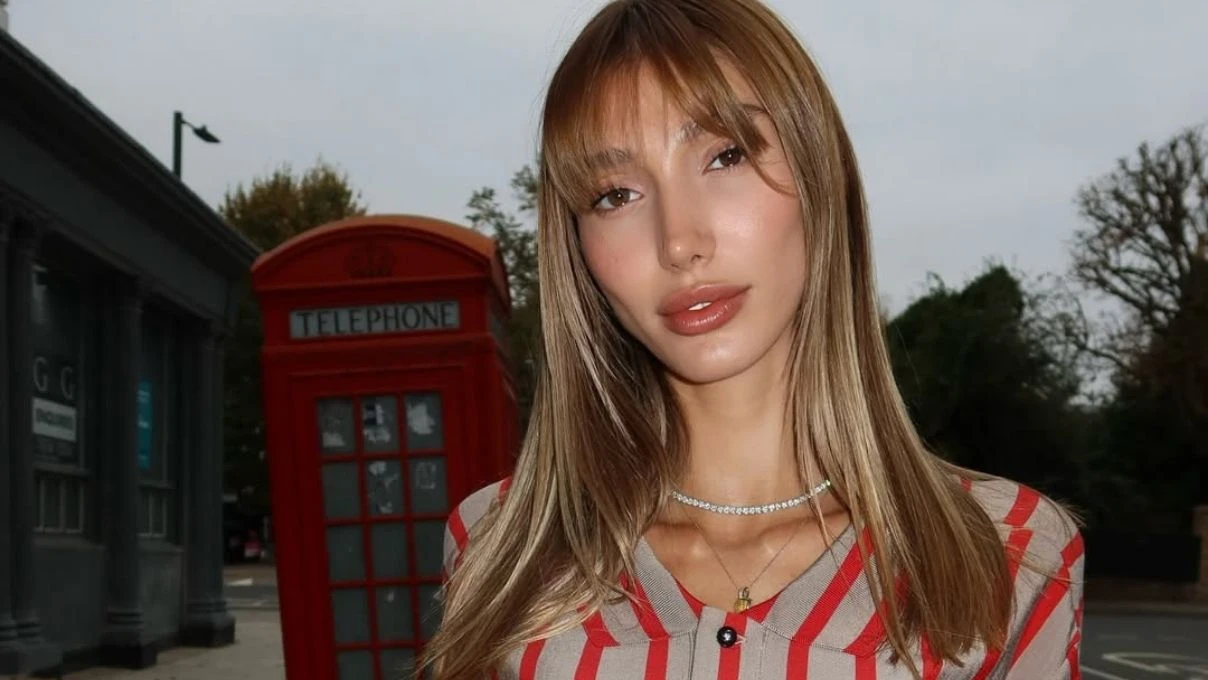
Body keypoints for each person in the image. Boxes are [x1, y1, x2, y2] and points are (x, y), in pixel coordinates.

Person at [421, 0, 1084, 677]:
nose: (679, 241)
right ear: (577, 248)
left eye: (725, 155)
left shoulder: (1011, 552)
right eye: (615, 195)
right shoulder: (501, 549)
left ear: (819, 175)